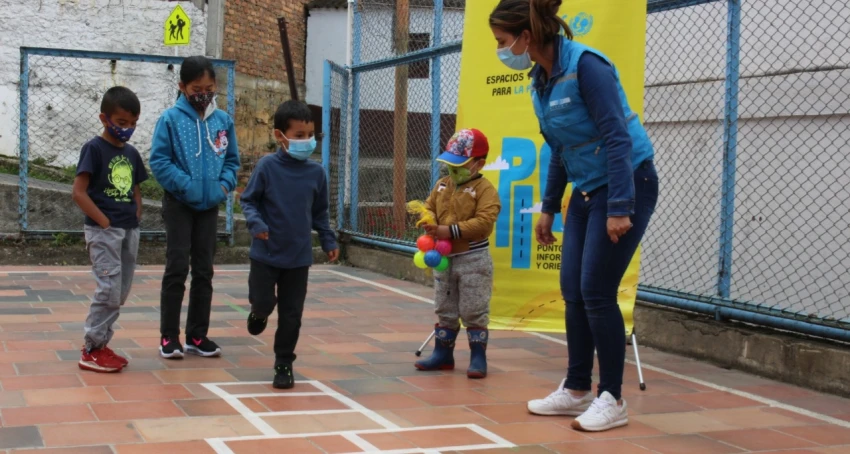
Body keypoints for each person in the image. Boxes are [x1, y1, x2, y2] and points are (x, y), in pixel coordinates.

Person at [490, 0, 659, 432]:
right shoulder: (540, 80)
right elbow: (560, 149)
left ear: (526, 37)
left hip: (627, 183)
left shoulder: (587, 67)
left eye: (503, 41)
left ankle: (613, 398)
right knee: (572, 289)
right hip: (585, 190)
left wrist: (620, 207)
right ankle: (577, 388)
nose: (501, 50)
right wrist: (548, 207)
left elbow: (618, 139)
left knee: (597, 290)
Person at [239, 100, 340, 389]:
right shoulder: (267, 167)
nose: (306, 141)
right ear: (279, 136)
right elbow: (248, 200)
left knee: (292, 314)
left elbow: (320, 212)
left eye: (310, 135)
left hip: (298, 258)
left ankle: (284, 362)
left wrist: (328, 239)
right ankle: (258, 312)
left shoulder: (316, 173)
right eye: (298, 135)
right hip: (266, 254)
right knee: (263, 300)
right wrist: (256, 225)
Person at [150, 56, 241, 359]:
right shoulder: (170, 120)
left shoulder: (223, 120)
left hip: (209, 205)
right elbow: (160, 162)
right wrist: (186, 185)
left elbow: (231, 161)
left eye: (209, 88)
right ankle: (168, 337)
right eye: (196, 88)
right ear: (182, 87)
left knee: (204, 270)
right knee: (177, 267)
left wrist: (223, 187)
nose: (204, 94)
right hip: (179, 203)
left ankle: (197, 336)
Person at [414, 128, 501, 379]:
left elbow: (485, 222)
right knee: (445, 306)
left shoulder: (485, 189)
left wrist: (448, 231)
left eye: (459, 165)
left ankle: (478, 356)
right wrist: (427, 220)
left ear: (478, 164)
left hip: (474, 259)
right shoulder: (442, 185)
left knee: (474, 307)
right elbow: (428, 206)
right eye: (450, 164)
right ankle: (443, 354)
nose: (453, 170)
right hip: (443, 259)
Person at [73, 86, 148, 373]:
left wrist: (136, 212)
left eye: (132, 124)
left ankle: (102, 344)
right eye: (121, 123)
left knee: (120, 291)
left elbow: (136, 187)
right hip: (105, 232)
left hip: (129, 230)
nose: (127, 129)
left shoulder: (130, 152)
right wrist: (104, 222)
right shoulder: (93, 148)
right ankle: (91, 348)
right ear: (105, 119)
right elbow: (79, 192)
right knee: (109, 289)